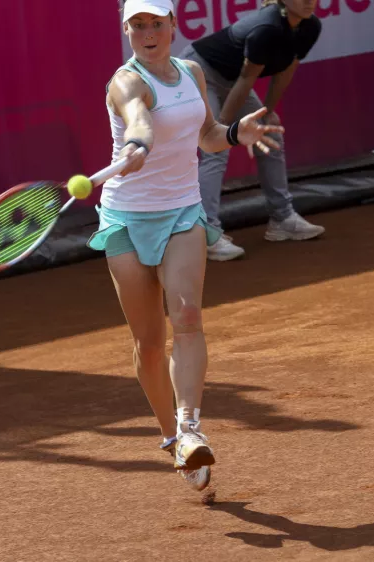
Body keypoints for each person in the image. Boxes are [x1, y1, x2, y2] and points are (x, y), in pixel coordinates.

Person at [88, 0, 285, 491]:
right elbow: (138, 118)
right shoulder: (125, 82)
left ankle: (191, 427)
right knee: (149, 343)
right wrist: (137, 142)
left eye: (157, 23)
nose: (148, 33)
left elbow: (208, 136)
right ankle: (172, 437)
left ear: (173, 26)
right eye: (138, 25)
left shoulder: (192, 73)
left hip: (181, 212)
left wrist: (236, 133)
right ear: (126, 31)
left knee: (188, 316)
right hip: (126, 220)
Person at [180, 0, 325, 262]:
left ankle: (282, 219)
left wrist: (266, 112)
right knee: (217, 150)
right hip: (198, 72)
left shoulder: (310, 27)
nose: (308, 1)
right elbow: (247, 79)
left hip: (231, 80)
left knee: (270, 132)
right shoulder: (266, 28)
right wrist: (221, 130)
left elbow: (285, 72)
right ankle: (206, 233)